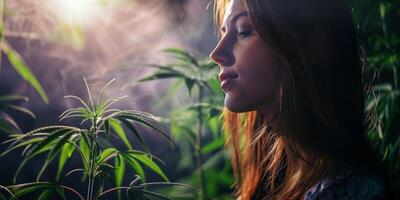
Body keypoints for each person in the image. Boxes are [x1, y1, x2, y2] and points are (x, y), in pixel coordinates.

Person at [209, 0, 392, 199]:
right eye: (224, 31)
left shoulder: (349, 191)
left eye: (244, 31)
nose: (217, 53)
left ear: (312, 44)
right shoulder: (276, 180)